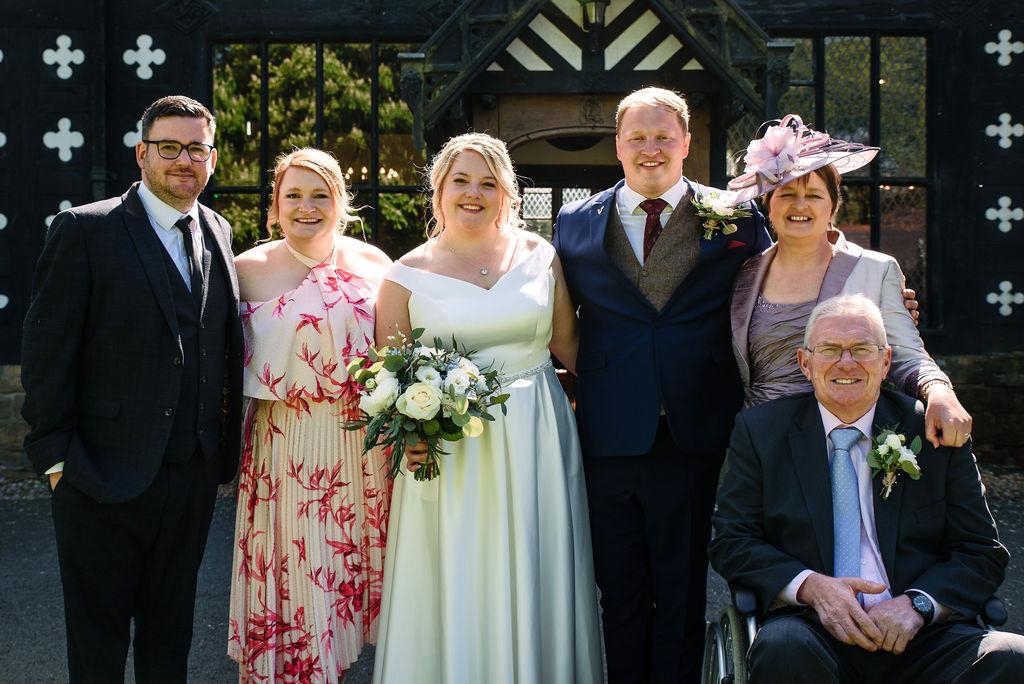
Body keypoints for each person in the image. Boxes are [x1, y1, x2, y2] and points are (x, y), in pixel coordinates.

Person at [20, 95, 243, 681]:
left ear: (212, 159)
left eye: (197, 149)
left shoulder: (217, 230)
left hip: (190, 478)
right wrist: (56, 459)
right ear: (142, 153)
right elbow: (46, 352)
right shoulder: (86, 229)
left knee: (171, 640)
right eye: (169, 147)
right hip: (98, 475)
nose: (183, 161)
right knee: (97, 647)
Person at [553, 86, 772, 682]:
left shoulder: (736, 215)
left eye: (663, 137)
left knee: (681, 592)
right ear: (619, 145)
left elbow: (786, 284)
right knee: (618, 593)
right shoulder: (573, 223)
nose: (651, 149)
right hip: (607, 432)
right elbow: (545, 311)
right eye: (638, 138)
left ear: (686, 143)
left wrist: (873, 286)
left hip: (694, 430)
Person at [372, 132, 602, 683]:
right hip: (452, 450)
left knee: (537, 561)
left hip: (537, 436)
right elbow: (390, 377)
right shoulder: (403, 275)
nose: (473, 194)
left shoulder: (541, 256)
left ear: (507, 195)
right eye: (461, 181)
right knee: (462, 568)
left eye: (488, 183)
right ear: (439, 190)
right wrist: (414, 431)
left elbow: (571, 346)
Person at [709, 294, 1024, 682]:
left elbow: (982, 552)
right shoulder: (761, 433)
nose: (847, 362)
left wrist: (917, 605)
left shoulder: (932, 432)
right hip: (811, 630)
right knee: (781, 647)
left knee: (1012, 655)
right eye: (830, 350)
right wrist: (811, 587)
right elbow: (732, 541)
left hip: (920, 635)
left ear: (886, 360)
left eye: (862, 349)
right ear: (805, 363)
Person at [227, 148, 394, 682]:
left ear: (341, 203)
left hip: (362, 447)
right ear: (274, 206)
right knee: (300, 583)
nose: (306, 206)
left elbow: (401, 351)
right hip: (286, 447)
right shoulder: (246, 270)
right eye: (293, 195)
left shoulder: (375, 264)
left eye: (320, 194)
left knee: (353, 580)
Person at [728, 114, 972, 448]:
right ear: (768, 205)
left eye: (813, 195)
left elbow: (906, 354)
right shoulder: (744, 275)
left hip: (844, 438)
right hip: (762, 440)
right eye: (785, 194)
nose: (800, 205)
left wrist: (940, 392)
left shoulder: (875, 269)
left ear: (832, 206)